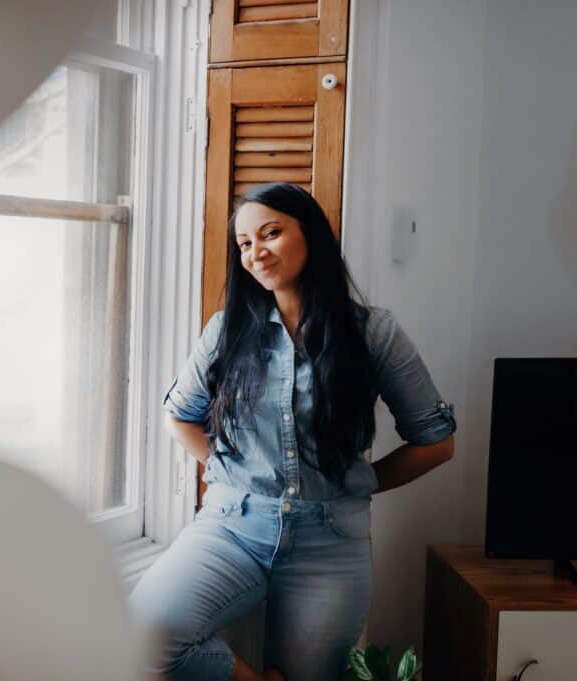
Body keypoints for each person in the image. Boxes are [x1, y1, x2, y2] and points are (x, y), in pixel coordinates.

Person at [127, 183, 457, 681]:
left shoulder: (374, 334)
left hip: (331, 544)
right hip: (231, 527)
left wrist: (359, 482)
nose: (255, 252)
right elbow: (180, 416)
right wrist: (226, 471)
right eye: (243, 244)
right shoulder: (226, 330)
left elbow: (436, 442)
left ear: (312, 235)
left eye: (271, 233)